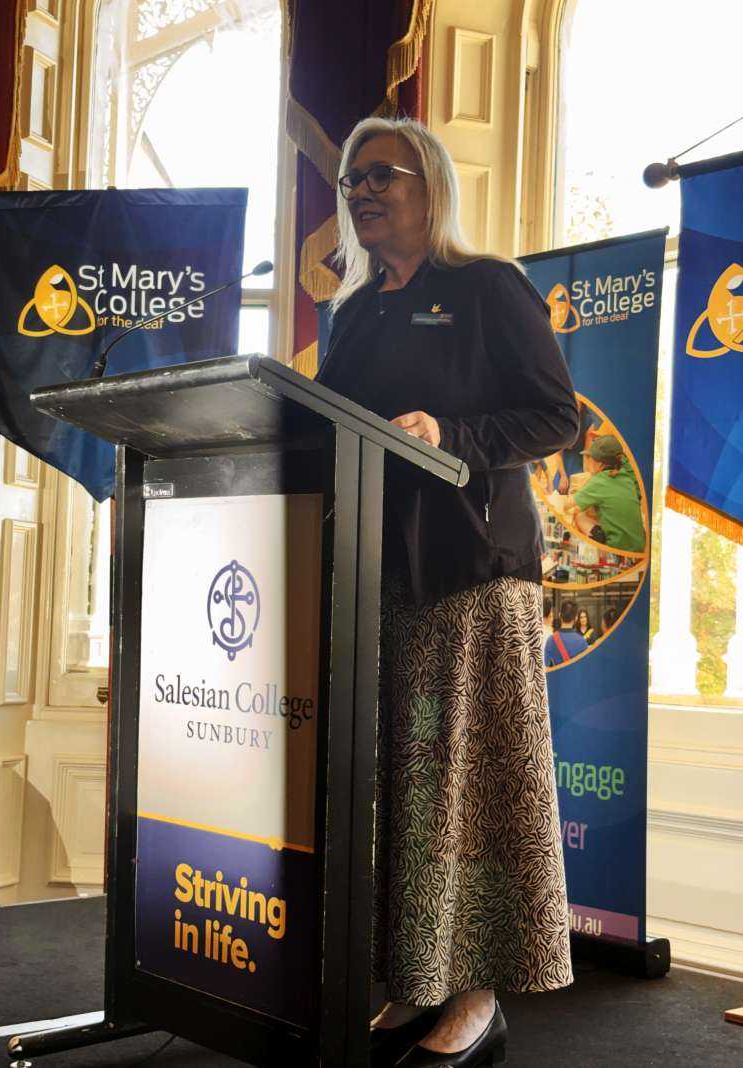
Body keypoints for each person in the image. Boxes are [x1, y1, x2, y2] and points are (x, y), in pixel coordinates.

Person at [317, 116, 578, 1068]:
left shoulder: (485, 287)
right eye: (351, 180)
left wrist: (449, 436)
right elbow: (321, 422)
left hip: (470, 571)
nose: (361, 191)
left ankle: (476, 997)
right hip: (375, 575)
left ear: (430, 185)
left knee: (468, 783)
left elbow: (553, 415)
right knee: (404, 787)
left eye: (380, 175)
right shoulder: (354, 314)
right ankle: (417, 977)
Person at [563, 435, 646, 553]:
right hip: (639, 548)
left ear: (600, 463)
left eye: (590, 458)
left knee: (579, 516)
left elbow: (567, 505)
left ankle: (600, 549)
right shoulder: (627, 478)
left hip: (618, 550)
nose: (588, 462)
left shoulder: (599, 481)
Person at [544, 600, 588, 666]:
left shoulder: (551, 640)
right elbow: (586, 666)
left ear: (559, 615)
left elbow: (547, 666)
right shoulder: (582, 642)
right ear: (576, 618)